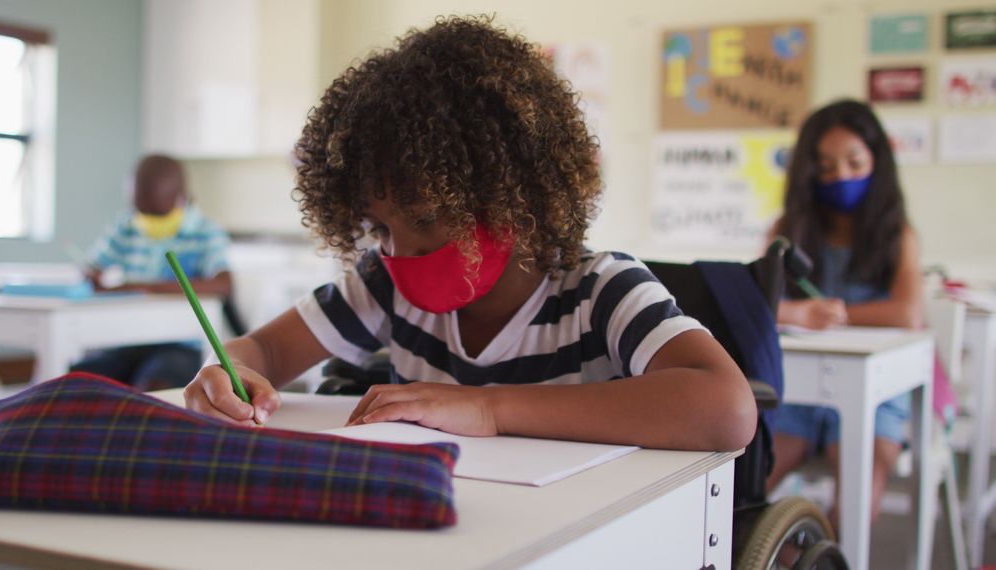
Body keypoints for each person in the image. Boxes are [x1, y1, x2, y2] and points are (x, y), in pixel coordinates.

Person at [184, 16, 756, 450]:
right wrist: (225, 373)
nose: (399, 251)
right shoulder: (381, 287)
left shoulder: (601, 291)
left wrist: (487, 409)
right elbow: (263, 349)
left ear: (511, 194)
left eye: (428, 220)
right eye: (380, 227)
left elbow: (725, 408)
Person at [766, 99, 925, 528]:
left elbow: (908, 312)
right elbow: (762, 303)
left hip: (876, 394)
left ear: (877, 162)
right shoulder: (787, 230)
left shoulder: (898, 235)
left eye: (855, 162)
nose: (842, 176)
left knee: (853, 501)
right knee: (748, 486)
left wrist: (828, 314)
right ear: (807, 172)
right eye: (826, 166)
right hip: (796, 390)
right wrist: (797, 313)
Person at [71, 154, 233, 390]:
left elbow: (222, 284)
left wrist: (144, 287)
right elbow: (94, 264)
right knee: (75, 381)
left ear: (179, 198)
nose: (146, 218)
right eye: (140, 210)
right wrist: (91, 275)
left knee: (152, 386)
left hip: (180, 345)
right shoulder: (127, 225)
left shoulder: (205, 232)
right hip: (126, 340)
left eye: (155, 213)